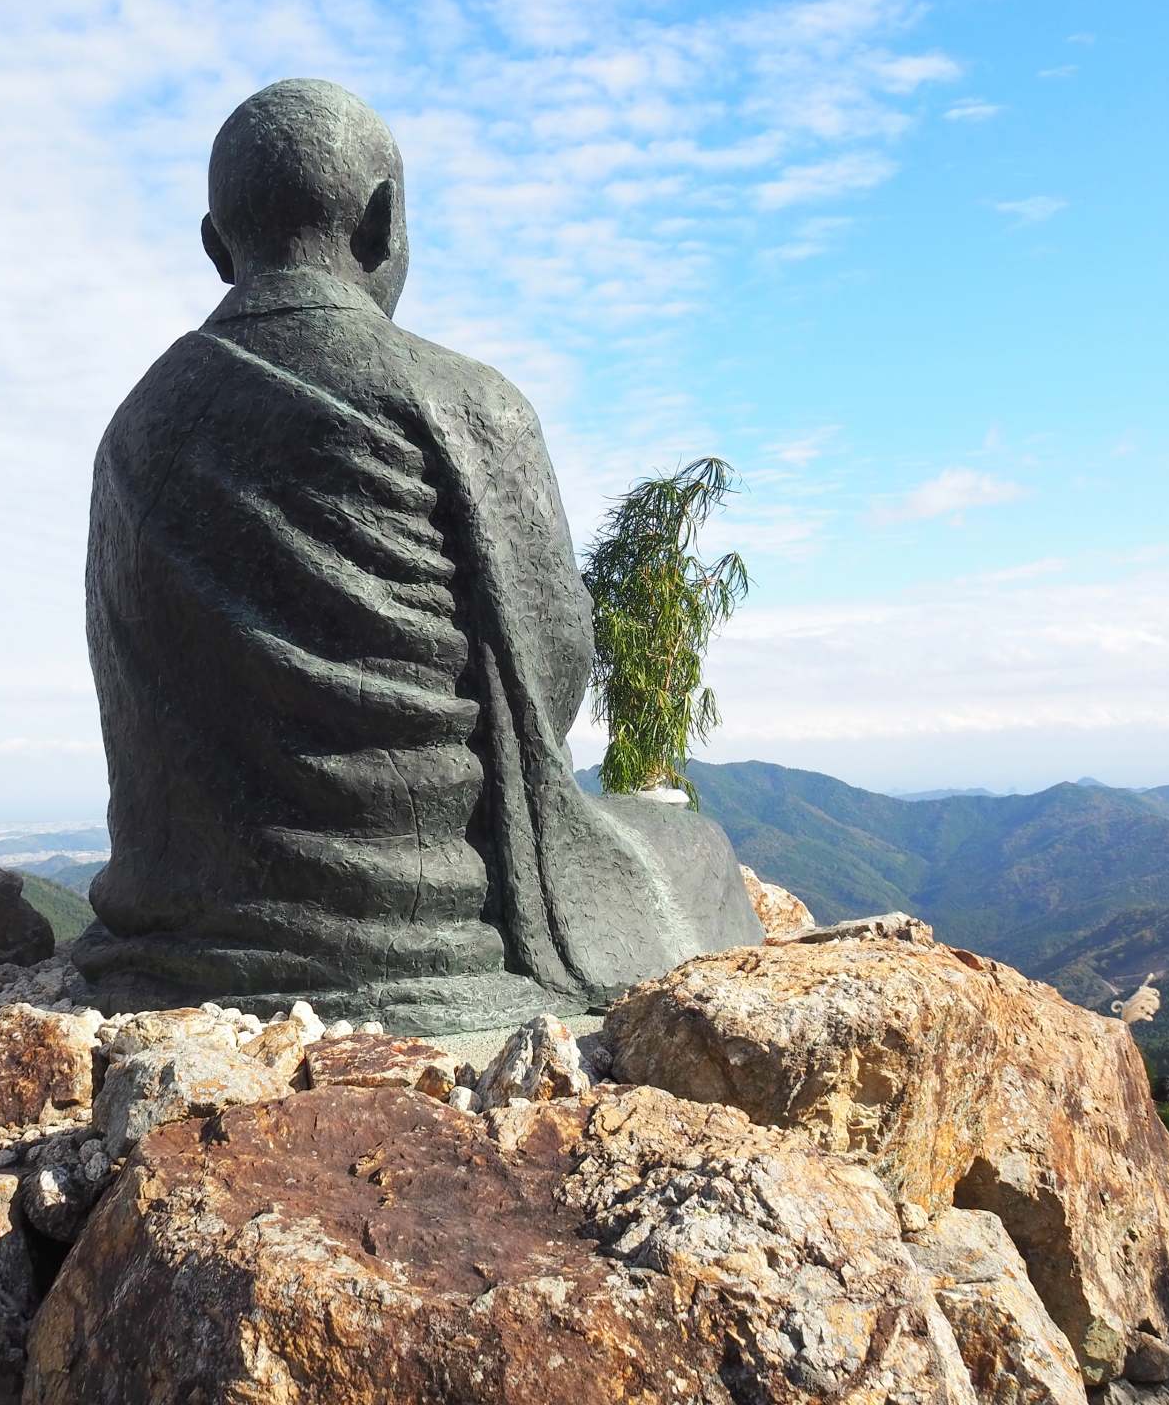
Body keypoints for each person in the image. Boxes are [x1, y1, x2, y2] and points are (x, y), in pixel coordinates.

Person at [78, 79, 758, 1032]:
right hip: (440, 922)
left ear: (216, 245)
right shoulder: (466, 400)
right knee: (694, 850)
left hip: (179, 917)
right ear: (383, 222)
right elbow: (551, 684)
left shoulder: (132, 430)